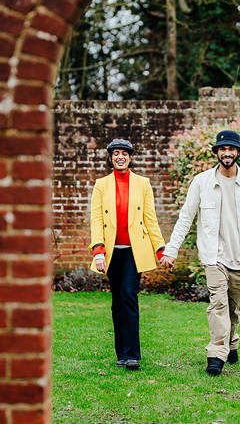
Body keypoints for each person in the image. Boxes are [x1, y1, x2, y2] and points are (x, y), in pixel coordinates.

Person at [160, 130, 240, 376]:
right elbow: (185, 218)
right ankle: (217, 354)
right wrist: (171, 249)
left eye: (231, 149)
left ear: (237, 152)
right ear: (217, 153)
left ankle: (231, 342)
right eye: (222, 149)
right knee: (218, 305)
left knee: (234, 309)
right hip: (214, 257)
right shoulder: (201, 182)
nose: (227, 153)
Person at [89, 138, 166, 371]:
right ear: (110, 158)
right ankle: (121, 354)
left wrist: (161, 249)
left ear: (130, 158)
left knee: (129, 296)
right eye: (116, 153)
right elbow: (96, 219)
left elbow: (150, 218)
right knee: (117, 301)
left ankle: (132, 355)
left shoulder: (143, 184)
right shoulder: (101, 184)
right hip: (111, 252)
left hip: (134, 251)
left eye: (124, 153)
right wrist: (98, 251)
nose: (120, 157)